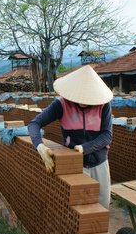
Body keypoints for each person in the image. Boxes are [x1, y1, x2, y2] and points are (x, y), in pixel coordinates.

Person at [27, 65, 113, 208]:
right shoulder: (61, 104)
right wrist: (39, 146)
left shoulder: (103, 105)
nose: (85, 100)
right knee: (78, 207)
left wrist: (83, 148)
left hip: (100, 162)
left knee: (102, 204)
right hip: (74, 164)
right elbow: (34, 123)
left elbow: (107, 136)